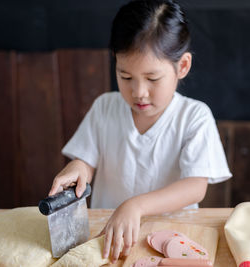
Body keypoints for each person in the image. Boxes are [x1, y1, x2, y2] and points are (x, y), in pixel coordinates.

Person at [48, 0, 232, 263]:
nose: (138, 92)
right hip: (110, 236)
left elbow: (195, 187)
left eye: (152, 79)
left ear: (182, 66)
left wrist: (136, 206)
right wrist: (78, 167)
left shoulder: (194, 117)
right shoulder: (105, 107)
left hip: (173, 238)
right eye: (125, 77)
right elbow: (87, 160)